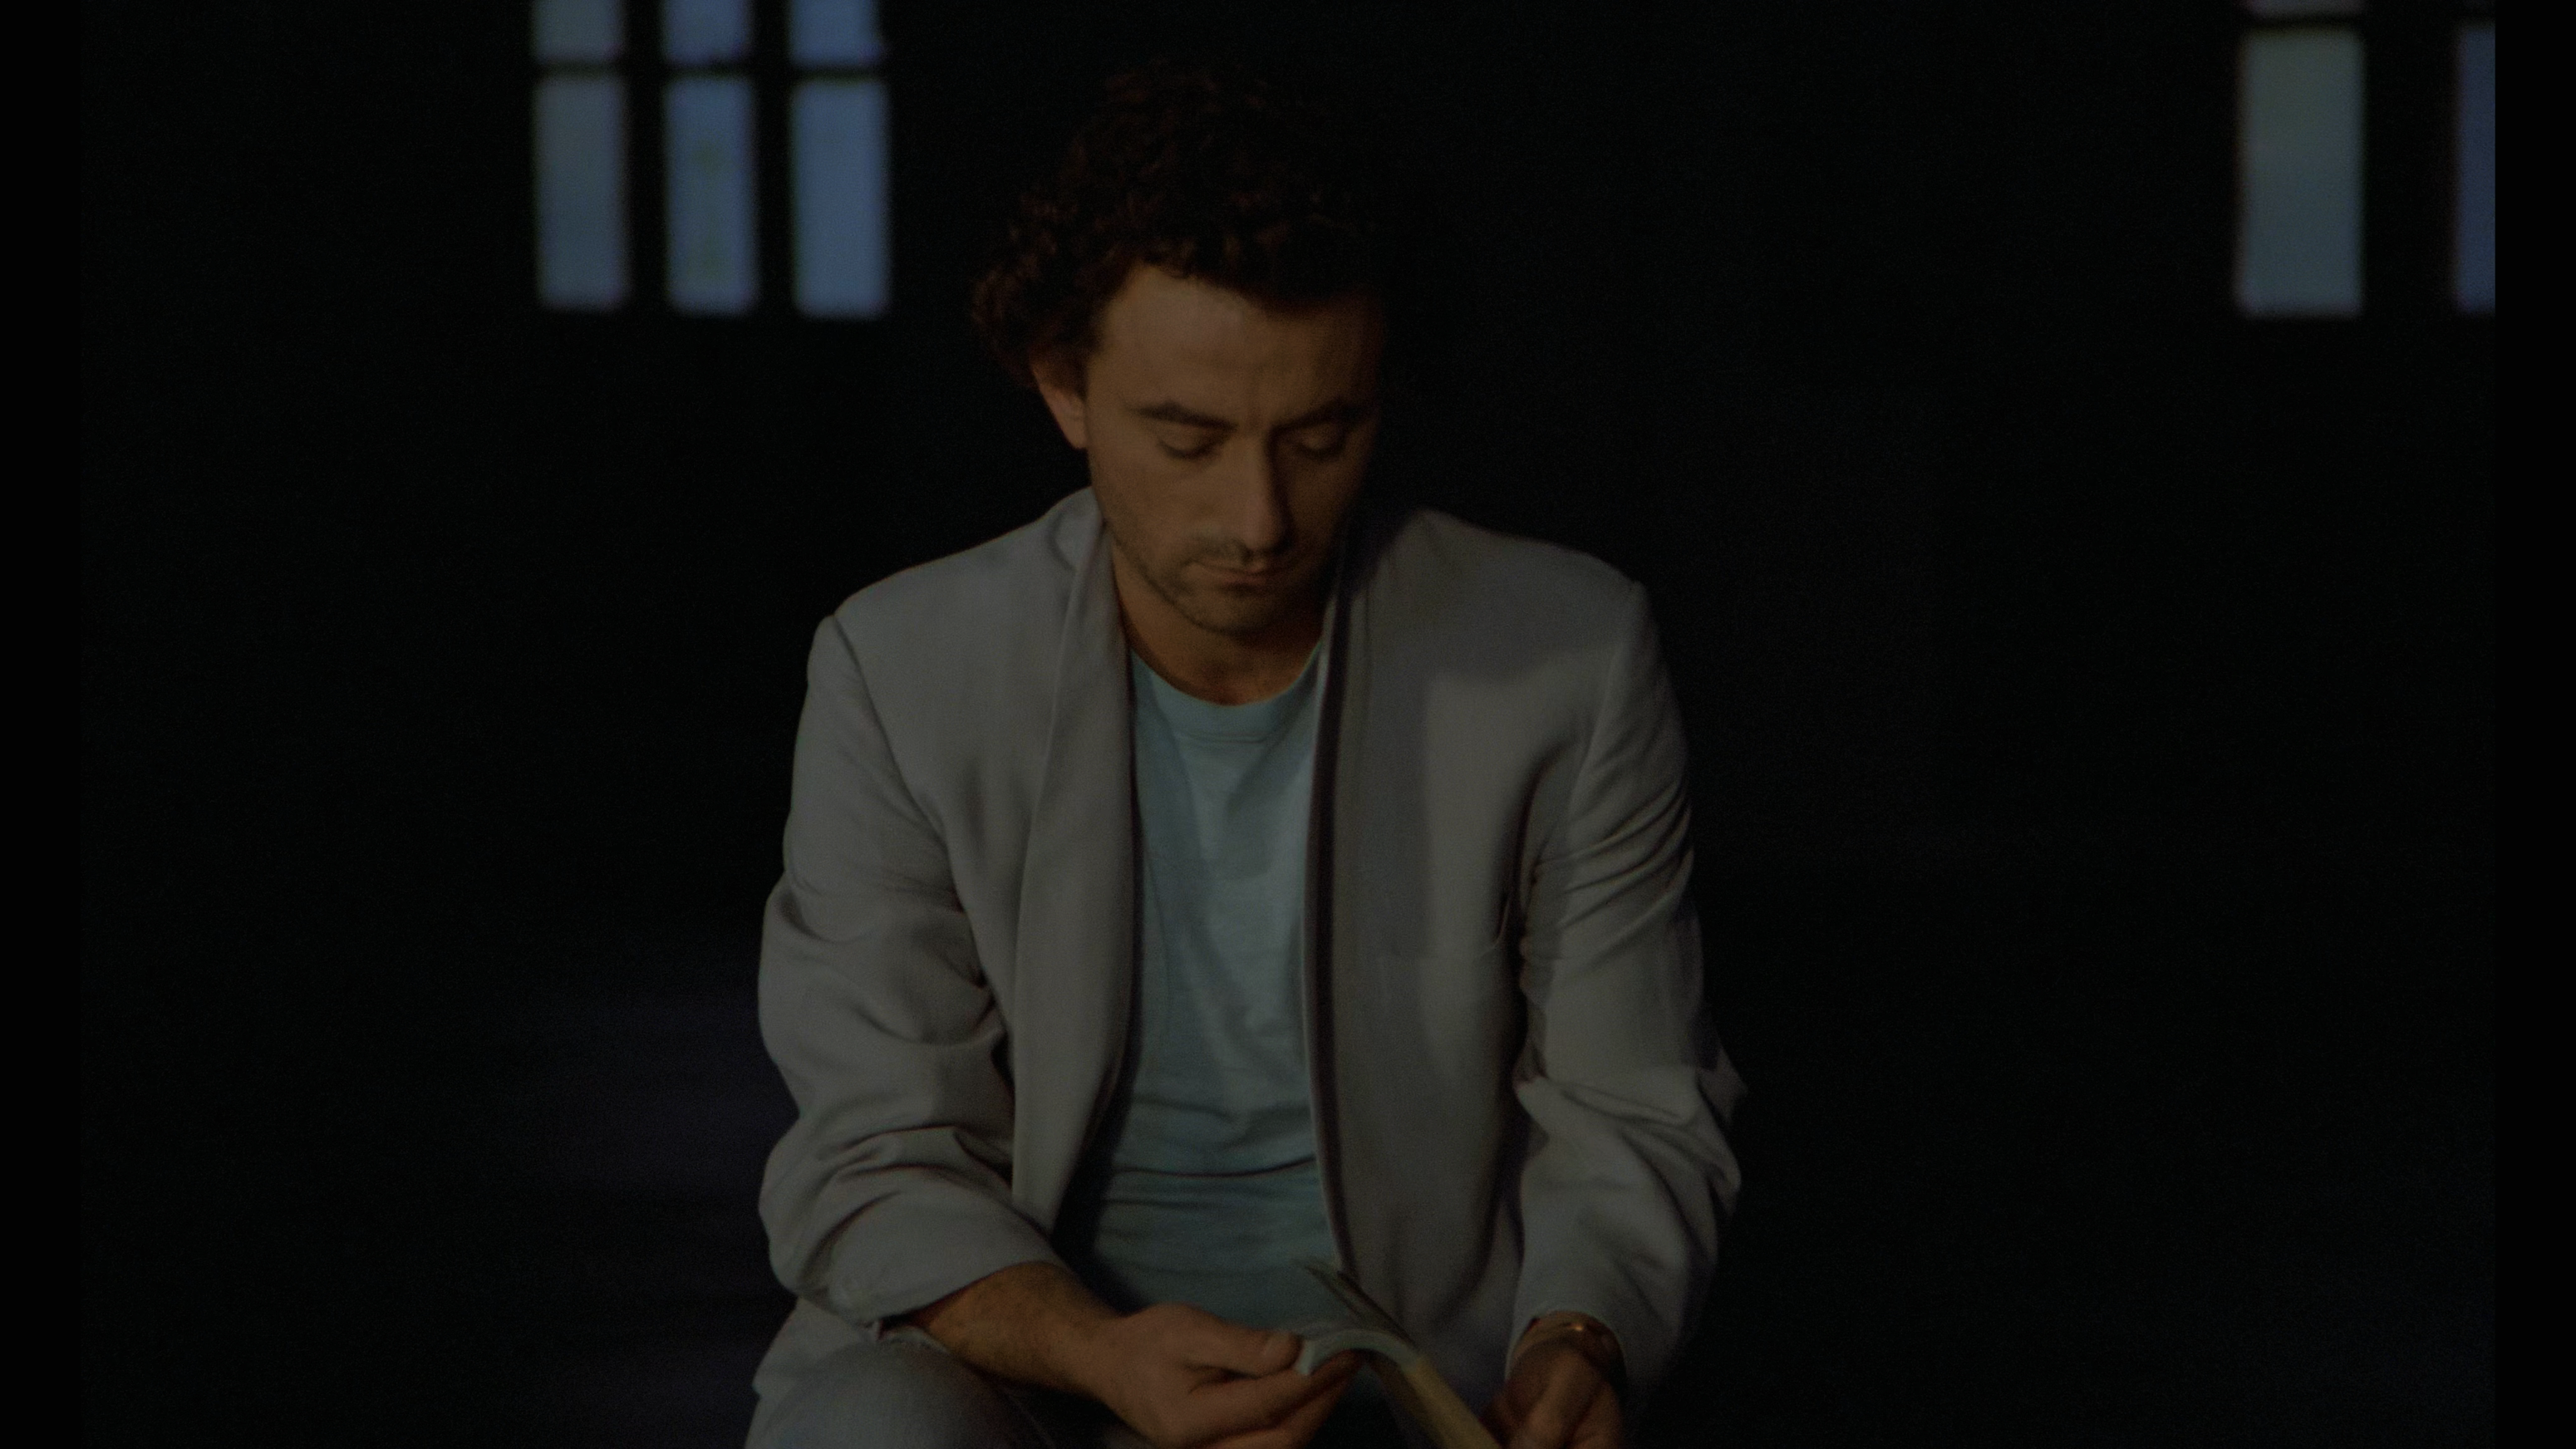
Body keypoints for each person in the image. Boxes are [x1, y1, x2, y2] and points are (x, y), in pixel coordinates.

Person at [747, 56, 1743, 1449]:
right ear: (1064, 389)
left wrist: (1580, 1335)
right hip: (1030, 1370)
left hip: (1419, 1385)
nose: (1262, 518)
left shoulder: (1566, 659)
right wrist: (1100, 1357)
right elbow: (873, 1151)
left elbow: (1628, 1098)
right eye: (1189, 440)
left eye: (1322, 436)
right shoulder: (901, 669)